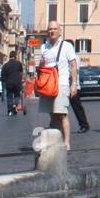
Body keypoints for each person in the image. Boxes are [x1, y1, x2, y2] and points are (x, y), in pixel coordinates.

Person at [39, 20, 80, 150]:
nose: (52, 31)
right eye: (50, 29)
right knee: (52, 113)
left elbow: (73, 66)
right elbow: (42, 65)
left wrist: (74, 84)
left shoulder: (67, 46)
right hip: (47, 85)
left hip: (61, 84)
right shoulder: (43, 47)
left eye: (55, 29)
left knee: (62, 114)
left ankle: (66, 142)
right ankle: (54, 140)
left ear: (59, 30)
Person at [1, 51, 26, 116]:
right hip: (17, 83)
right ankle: (15, 105)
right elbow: (21, 73)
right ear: (15, 56)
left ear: (9, 56)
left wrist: (4, 82)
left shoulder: (5, 65)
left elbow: (3, 75)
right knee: (17, 95)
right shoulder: (19, 64)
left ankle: (9, 110)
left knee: (9, 96)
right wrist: (21, 80)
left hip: (9, 83)